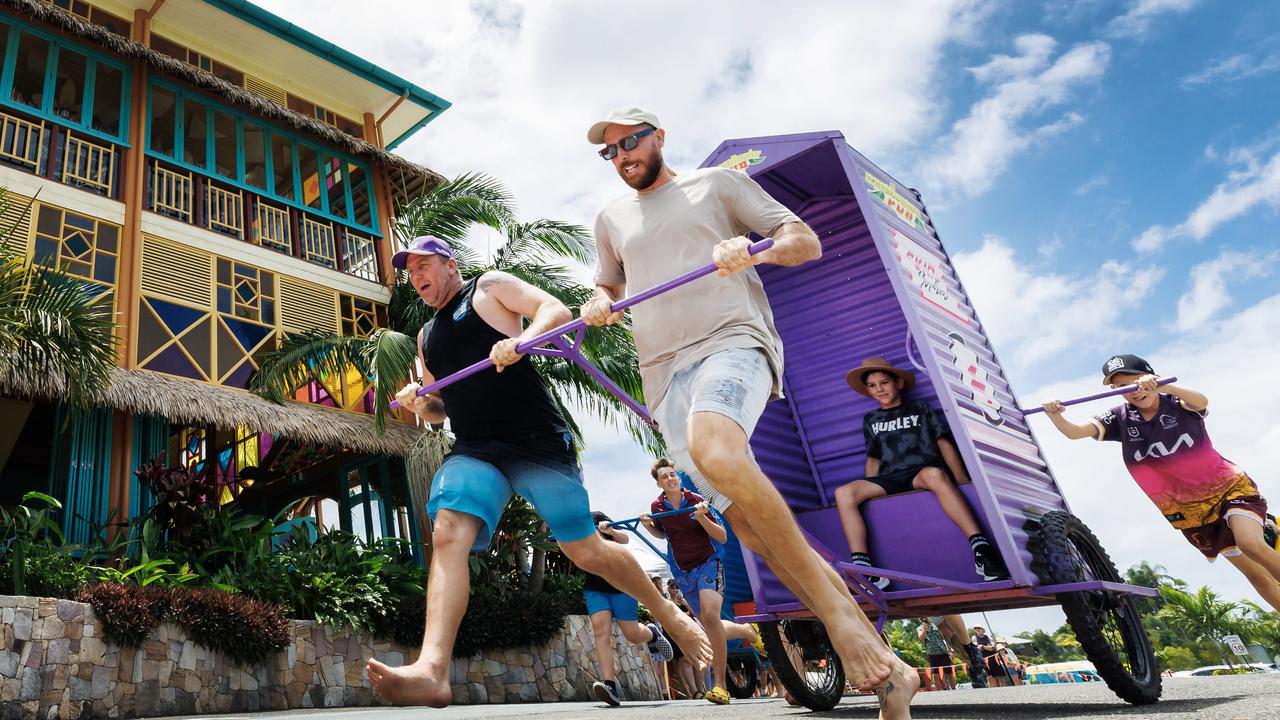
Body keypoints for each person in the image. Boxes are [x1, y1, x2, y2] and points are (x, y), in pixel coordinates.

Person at [582, 106, 917, 717]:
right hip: (662, 375)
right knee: (753, 532)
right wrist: (599, 300)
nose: (623, 156)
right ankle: (891, 670)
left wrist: (755, 252)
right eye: (610, 152)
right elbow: (609, 285)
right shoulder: (611, 217)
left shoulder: (717, 184)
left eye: (630, 142)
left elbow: (803, 241)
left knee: (715, 448)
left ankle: (843, 625)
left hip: (732, 342)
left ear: (658, 136)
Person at [366, 236, 711, 707]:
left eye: (424, 266)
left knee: (586, 549)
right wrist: (418, 399)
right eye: (410, 273)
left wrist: (522, 341)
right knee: (448, 532)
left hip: (536, 442)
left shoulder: (488, 289)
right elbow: (438, 408)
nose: (417, 278)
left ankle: (666, 613)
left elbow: (555, 310)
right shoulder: (427, 336)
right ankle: (432, 669)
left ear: (450, 265)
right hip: (477, 449)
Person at [1040, 354, 1280, 612]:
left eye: (1135, 382)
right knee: (1256, 576)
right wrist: (1056, 415)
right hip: (1192, 514)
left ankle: (1259, 526)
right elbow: (1074, 432)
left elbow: (1201, 401)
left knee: (1250, 543)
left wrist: (1165, 386)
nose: (1134, 391)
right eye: (1122, 387)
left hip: (1228, 489)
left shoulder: (1177, 402)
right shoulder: (1119, 418)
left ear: (1150, 377)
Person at [833, 358, 1009, 589]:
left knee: (934, 475)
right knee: (844, 493)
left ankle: (982, 550)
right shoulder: (871, 419)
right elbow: (874, 457)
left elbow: (943, 442)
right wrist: (873, 493)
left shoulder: (919, 408)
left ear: (899, 383)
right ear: (868, 391)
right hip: (889, 478)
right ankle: (864, 568)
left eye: (884, 382)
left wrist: (962, 479)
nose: (880, 389)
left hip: (921, 471)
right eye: (873, 385)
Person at [640, 458, 764, 704]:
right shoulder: (658, 507)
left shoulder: (696, 500)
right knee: (709, 624)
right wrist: (647, 526)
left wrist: (703, 517)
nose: (671, 479)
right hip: (682, 571)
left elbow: (723, 536)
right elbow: (663, 533)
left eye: (673, 474)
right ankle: (747, 631)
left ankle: (720, 685)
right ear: (658, 483)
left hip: (708, 562)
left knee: (709, 615)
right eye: (665, 477)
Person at [580, 511, 675, 706]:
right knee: (600, 629)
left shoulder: (597, 517)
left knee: (632, 634)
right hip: (595, 588)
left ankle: (652, 633)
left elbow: (624, 539)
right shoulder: (574, 524)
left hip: (622, 586)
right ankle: (610, 685)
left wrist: (610, 530)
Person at [917, 619, 955, 690]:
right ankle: (939, 692)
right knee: (935, 674)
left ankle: (954, 689)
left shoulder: (936, 626)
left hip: (943, 652)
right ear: (919, 620)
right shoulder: (919, 628)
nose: (924, 619)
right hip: (932, 654)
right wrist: (924, 630)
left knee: (949, 672)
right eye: (921, 618)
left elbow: (945, 638)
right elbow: (921, 638)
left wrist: (950, 651)